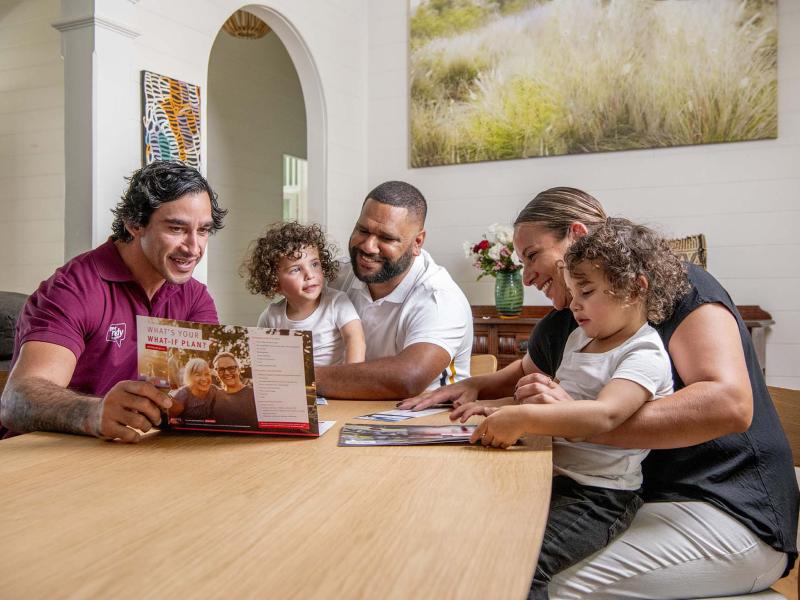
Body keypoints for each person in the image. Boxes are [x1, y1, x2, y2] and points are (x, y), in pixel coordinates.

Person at [401, 187, 798, 598]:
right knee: (478, 542)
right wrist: (476, 386)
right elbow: (527, 371)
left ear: (575, 234)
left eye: (533, 255)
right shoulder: (575, 322)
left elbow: (729, 405)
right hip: (642, 498)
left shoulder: (679, 287)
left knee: (509, 572)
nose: (527, 275)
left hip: (725, 507)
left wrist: (572, 420)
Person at [453, 218, 684, 598]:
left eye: (587, 292)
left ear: (634, 288)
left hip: (598, 498)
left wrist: (523, 418)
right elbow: (555, 399)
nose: (574, 305)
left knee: (523, 565)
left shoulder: (644, 352)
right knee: (477, 536)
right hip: (552, 479)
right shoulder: (579, 339)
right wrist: (493, 406)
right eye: (573, 292)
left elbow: (604, 415)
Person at [0, 160, 227, 443]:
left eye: (203, 230)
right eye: (176, 229)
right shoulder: (73, 288)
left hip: (129, 453)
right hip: (41, 456)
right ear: (134, 224)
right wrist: (93, 413)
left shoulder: (195, 297)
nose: (194, 247)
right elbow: (16, 399)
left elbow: (203, 394)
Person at [316, 180, 473, 399]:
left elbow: (408, 378)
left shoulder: (440, 297)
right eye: (362, 230)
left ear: (417, 242)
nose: (368, 247)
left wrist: (299, 378)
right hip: (345, 412)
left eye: (386, 238)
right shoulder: (334, 277)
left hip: (427, 422)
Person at [244, 222, 365, 367]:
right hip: (291, 386)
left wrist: (349, 378)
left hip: (332, 386)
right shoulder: (271, 316)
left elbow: (355, 339)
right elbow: (261, 356)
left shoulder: (336, 302)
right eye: (295, 269)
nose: (309, 275)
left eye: (314, 264)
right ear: (275, 283)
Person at [210, 352, 258, 426]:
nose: (226, 373)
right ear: (217, 373)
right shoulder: (214, 396)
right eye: (221, 369)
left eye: (231, 368)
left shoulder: (255, 395)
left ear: (238, 370)